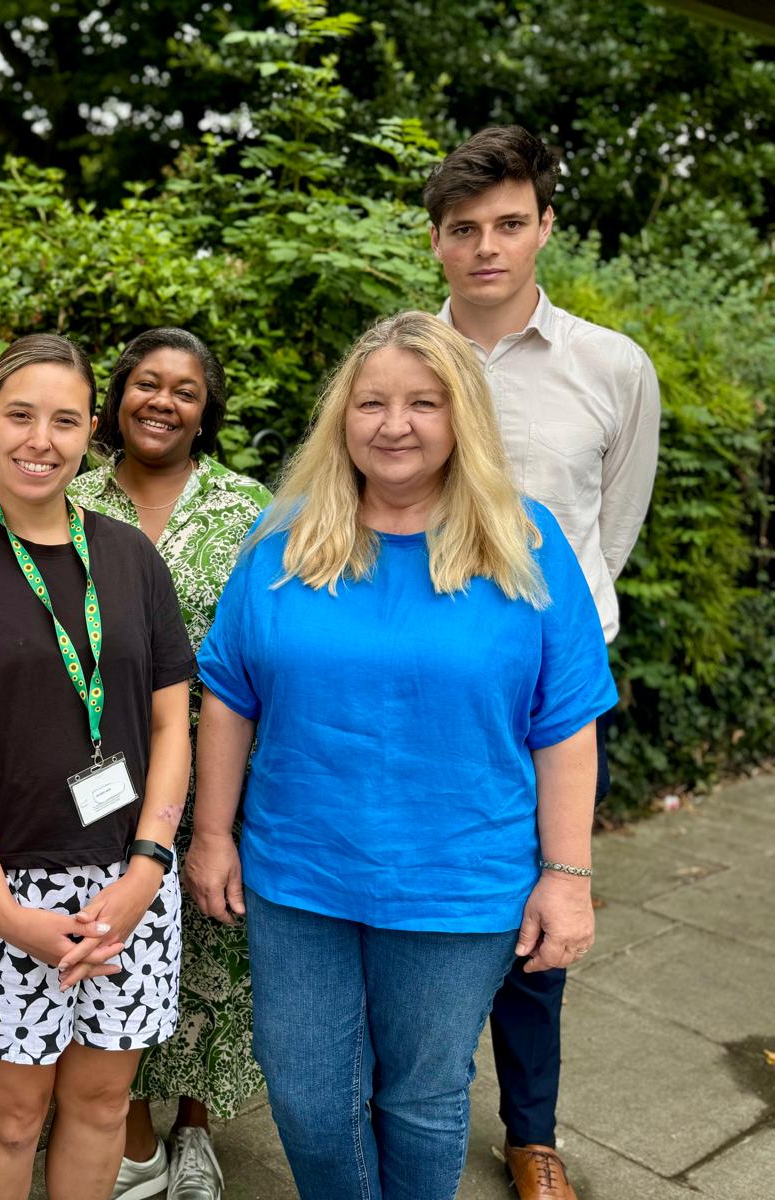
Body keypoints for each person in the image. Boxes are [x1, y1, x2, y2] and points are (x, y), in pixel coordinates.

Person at [187, 311, 617, 1200]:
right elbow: (229, 694)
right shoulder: (285, 538)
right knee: (306, 1099)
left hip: (459, 884)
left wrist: (567, 874)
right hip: (298, 873)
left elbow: (566, 722)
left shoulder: (525, 545)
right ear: (342, 417)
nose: (395, 424)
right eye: (372, 402)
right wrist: (212, 833)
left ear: (463, 418)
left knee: (421, 1100)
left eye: (424, 402)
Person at [0, 333, 195, 1200]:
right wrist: (3, 910)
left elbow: (171, 724)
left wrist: (149, 865)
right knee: (13, 1117)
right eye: (20, 414)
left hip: (130, 884)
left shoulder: (132, 556)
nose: (41, 439)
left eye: (65, 421)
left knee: (102, 1105)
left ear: (90, 430)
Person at [425, 125, 660, 1200]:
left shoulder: (610, 367)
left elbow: (609, 532)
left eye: (509, 225)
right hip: (419, 690)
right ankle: (407, 1106)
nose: (487, 248)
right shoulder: (399, 362)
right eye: (465, 229)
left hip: (544, 705)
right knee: (412, 909)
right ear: (436, 242)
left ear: (544, 227)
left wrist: (549, 638)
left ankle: (529, 1132)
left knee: (540, 916)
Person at [69, 328, 270, 1200]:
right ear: (116, 399)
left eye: (184, 391)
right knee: (114, 946)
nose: (163, 401)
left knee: (211, 957)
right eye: (147, 383)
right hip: (95, 774)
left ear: (205, 412)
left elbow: (266, 649)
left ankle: (193, 1131)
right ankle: (132, 1133)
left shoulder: (248, 510)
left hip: (217, 767)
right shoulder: (68, 497)